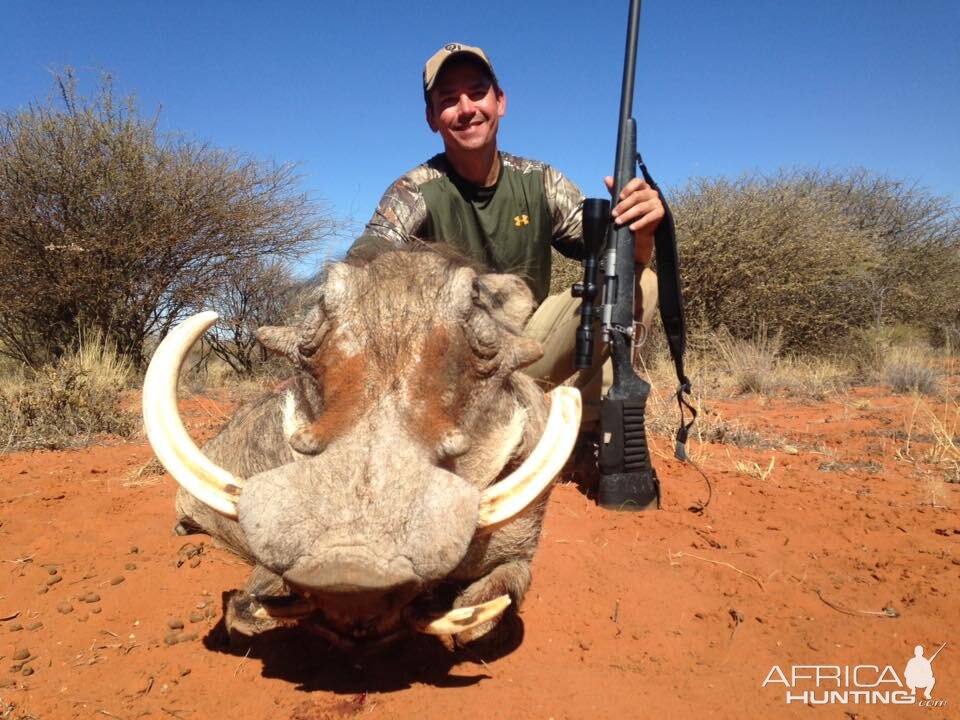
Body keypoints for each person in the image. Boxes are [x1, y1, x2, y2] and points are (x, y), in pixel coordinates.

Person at [349, 43, 663, 428]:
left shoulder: (541, 182)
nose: (466, 109)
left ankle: (589, 431)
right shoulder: (414, 190)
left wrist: (641, 230)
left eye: (477, 93)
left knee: (637, 281)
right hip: (449, 370)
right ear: (431, 118)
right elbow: (362, 262)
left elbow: (616, 256)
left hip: (527, 352)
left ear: (500, 102)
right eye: (448, 99)